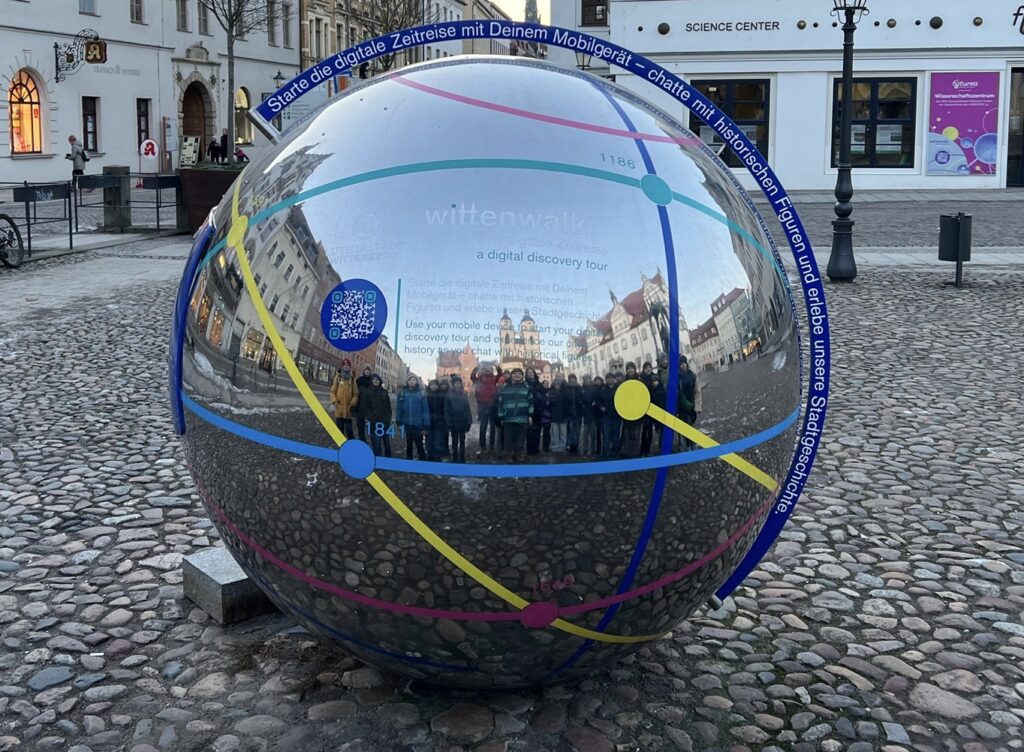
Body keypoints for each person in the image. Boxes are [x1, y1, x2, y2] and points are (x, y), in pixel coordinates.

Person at [495, 368, 531, 462]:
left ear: (522, 376)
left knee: (520, 438)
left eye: (519, 374)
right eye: (515, 373)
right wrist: (501, 416)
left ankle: (518, 455)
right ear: (511, 376)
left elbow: (530, 402)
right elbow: (500, 403)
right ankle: (509, 455)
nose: (517, 375)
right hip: (508, 417)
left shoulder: (526, 387)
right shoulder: (505, 387)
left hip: (522, 417)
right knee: (508, 438)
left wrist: (530, 415)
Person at [470, 363, 501, 456]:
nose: (487, 370)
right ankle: (483, 447)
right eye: (485, 369)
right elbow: (472, 376)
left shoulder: (494, 379)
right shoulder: (479, 379)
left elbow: (500, 374)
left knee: (492, 428)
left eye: (489, 369)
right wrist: (477, 367)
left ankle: (491, 448)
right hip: (482, 405)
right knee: (483, 427)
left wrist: (496, 365)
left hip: (492, 405)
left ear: (492, 370)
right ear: (482, 370)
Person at [396, 375, 429, 459]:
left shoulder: (421, 393)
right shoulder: (403, 393)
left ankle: (422, 458)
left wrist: (426, 425)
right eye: (410, 380)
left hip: (418, 424)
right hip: (407, 423)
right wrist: (398, 420)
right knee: (409, 442)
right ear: (407, 382)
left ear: (416, 382)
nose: (412, 381)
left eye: (414, 380)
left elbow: (425, 410)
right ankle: (409, 458)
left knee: (419, 443)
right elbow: (399, 408)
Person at [677, 355, 703, 450]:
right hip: (682, 406)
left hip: (691, 405)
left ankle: (692, 444)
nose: (682, 366)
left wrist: (698, 406)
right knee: (684, 427)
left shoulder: (692, 375)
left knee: (691, 426)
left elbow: (697, 391)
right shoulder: (677, 377)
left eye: (683, 363)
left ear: (686, 363)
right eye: (680, 364)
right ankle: (688, 445)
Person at [364, 374, 392, 457]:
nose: (375, 381)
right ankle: (377, 459)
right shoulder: (368, 392)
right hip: (374, 422)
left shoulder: (384, 391)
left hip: (385, 421)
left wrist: (388, 418)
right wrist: (370, 417)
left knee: (387, 442)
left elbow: (388, 407)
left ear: (380, 381)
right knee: (376, 442)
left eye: (377, 379)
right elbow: (365, 406)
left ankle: (388, 459)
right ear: (372, 381)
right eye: (374, 379)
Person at [330, 359, 359, 439]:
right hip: (339, 409)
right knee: (339, 431)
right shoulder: (338, 377)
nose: (346, 367)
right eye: (344, 365)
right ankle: (341, 446)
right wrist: (335, 401)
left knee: (350, 431)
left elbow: (356, 394)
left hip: (348, 410)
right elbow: (333, 391)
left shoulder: (352, 379)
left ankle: (351, 446)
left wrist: (352, 404)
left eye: (348, 365)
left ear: (349, 367)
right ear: (342, 367)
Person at [445, 376, 472, 463]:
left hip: (462, 421)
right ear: (453, 384)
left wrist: (469, 421)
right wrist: (448, 421)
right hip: (453, 421)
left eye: (459, 384)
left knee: (462, 440)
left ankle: (462, 457)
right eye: (456, 383)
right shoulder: (449, 395)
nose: (458, 385)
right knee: (454, 441)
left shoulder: (464, 395)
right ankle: (455, 457)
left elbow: (467, 409)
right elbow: (446, 410)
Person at [621, 363, 642, 457]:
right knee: (627, 433)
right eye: (628, 369)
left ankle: (636, 452)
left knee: (636, 433)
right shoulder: (624, 381)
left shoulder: (639, 380)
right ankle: (628, 451)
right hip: (627, 411)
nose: (630, 370)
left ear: (634, 369)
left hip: (637, 411)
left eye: (631, 368)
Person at [426, 379, 448, 461]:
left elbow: (445, 408)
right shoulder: (426, 395)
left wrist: (443, 418)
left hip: (440, 420)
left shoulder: (441, 395)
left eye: (435, 385)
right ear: (429, 386)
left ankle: (437, 455)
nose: (433, 386)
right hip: (429, 420)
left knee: (438, 438)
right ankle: (429, 454)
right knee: (429, 438)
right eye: (432, 385)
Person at [548, 377, 568, 452]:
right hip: (554, 415)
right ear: (553, 385)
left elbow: (566, 405)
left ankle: (562, 446)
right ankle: (555, 446)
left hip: (563, 415)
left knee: (563, 433)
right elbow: (549, 404)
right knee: (554, 433)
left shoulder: (564, 393)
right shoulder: (550, 392)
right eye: (556, 384)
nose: (557, 386)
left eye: (558, 384)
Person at [565, 374, 583, 454]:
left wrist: (581, 405)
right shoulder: (566, 388)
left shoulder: (579, 388)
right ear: (569, 380)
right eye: (570, 379)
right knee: (571, 430)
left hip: (578, 413)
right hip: (570, 413)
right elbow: (564, 401)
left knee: (577, 430)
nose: (572, 380)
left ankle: (576, 446)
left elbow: (582, 399)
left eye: (573, 378)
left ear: (575, 379)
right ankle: (571, 446)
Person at [355, 365, 373, 440]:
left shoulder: (373, 381)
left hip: (370, 408)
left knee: (371, 427)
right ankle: (363, 441)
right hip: (360, 407)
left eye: (369, 370)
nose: (367, 371)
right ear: (364, 371)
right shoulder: (359, 380)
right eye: (366, 369)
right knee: (360, 426)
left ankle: (373, 441)